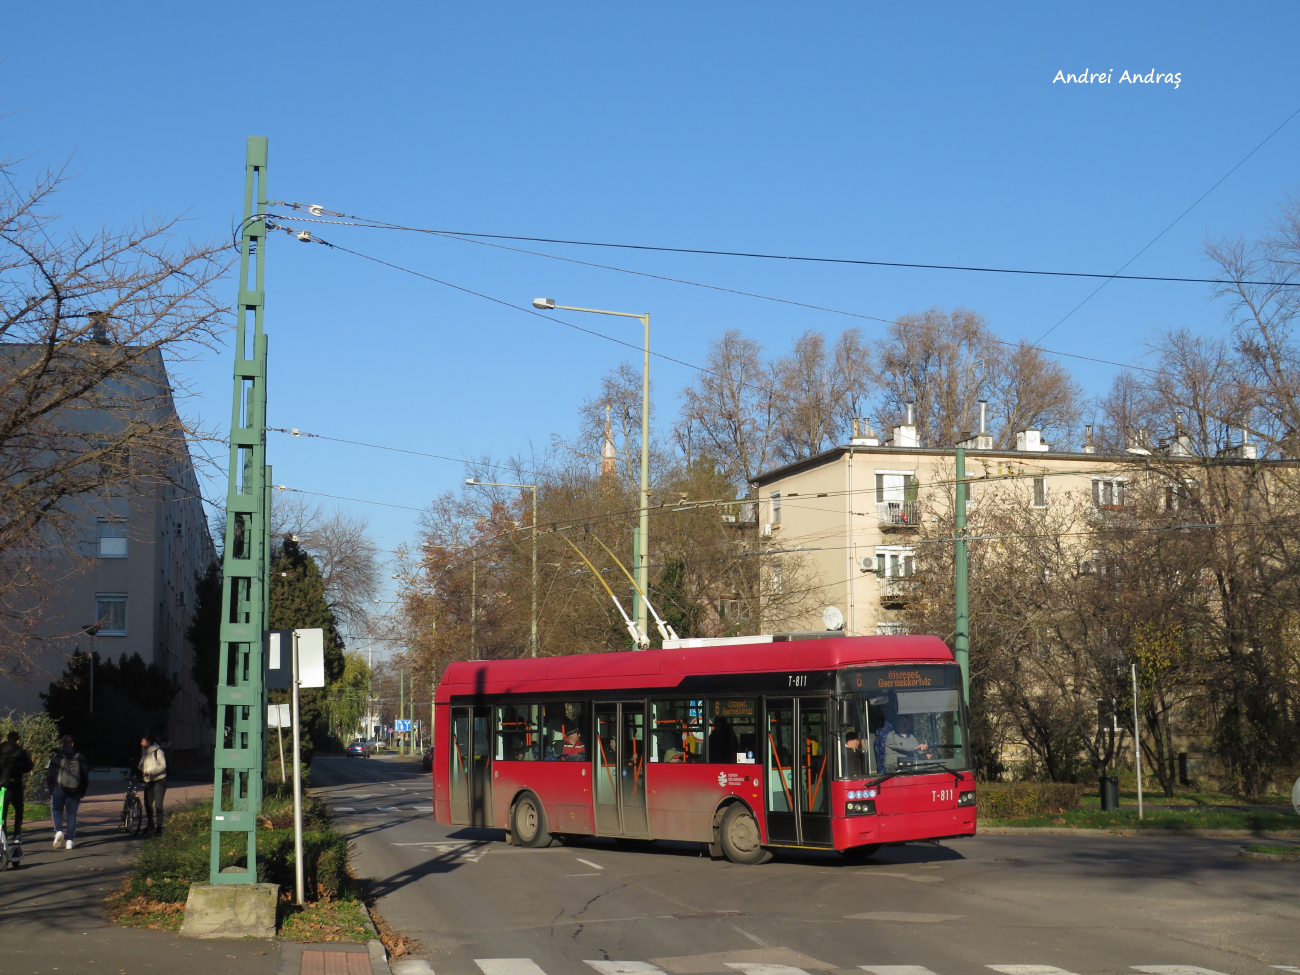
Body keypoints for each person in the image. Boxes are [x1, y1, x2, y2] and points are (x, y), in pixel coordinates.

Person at [47, 735, 90, 850]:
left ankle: (59, 831)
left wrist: (51, 790)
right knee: (72, 814)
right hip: (75, 789)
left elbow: (50, 775)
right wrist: (83, 791)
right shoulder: (79, 757)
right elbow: (85, 776)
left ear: (61, 744)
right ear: (72, 744)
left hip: (58, 788)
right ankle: (70, 841)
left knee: (56, 810)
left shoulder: (56, 757)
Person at [0, 730, 33, 859]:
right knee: (19, 809)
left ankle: (3, 835)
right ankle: (17, 835)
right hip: (15, 784)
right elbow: (29, 765)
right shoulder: (19, 751)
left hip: (1, 785)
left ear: (7, 739)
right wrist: (21, 769)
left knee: (2, 811)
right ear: (17, 740)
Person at [138, 733, 167, 836]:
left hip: (159, 780)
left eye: (143, 741)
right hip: (148, 781)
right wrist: (141, 768)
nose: (141, 743)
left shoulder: (158, 751)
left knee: (158, 805)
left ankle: (159, 827)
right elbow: (142, 763)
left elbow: (163, 765)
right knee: (147, 804)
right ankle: (150, 825)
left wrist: (152, 772)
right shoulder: (144, 751)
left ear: (149, 742)